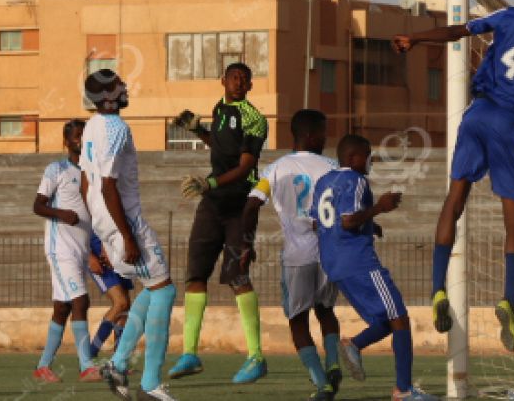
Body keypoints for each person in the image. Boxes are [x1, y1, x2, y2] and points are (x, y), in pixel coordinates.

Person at [391, 0, 514, 352]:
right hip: (511, 123)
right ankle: (508, 300)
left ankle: (437, 289)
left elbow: (457, 31)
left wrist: (416, 39)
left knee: (454, 198)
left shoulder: (513, 16)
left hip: (478, 114)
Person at [78, 69, 179, 401]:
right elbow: (106, 185)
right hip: (125, 221)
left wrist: (102, 231)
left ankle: (118, 363)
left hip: (105, 222)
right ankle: (150, 383)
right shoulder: (116, 127)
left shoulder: (91, 125)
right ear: (108, 96)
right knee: (164, 291)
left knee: (152, 288)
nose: (125, 87)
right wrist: (126, 236)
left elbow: (85, 182)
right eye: (119, 84)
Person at [312, 136, 438, 401]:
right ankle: (403, 391)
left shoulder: (324, 181)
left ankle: (354, 345)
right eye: (367, 154)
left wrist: (369, 226)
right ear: (351, 158)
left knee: (386, 319)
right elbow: (347, 221)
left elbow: (320, 224)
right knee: (400, 318)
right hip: (358, 261)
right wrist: (380, 208)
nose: (370, 159)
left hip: (333, 263)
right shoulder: (356, 181)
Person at [169, 62, 268, 384]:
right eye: (234, 77)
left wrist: (210, 184)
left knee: (238, 275)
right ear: (222, 81)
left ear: (250, 86)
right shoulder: (219, 109)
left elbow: (245, 166)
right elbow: (222, 148)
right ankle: (189, 353)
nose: (239, 82)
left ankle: (255, 356)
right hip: (213, 203)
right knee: (195, 275)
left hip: (239, 202)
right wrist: (199, 131)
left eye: (244, 79)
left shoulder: (255, 118)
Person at [240, 109, 342, 401]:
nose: (325, 138)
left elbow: (251, 206)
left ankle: (322, 383)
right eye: (323, 132)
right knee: (326, 311)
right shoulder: (333, 166)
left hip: (297, 257)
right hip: (329, 254)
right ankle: (333, 362)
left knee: (297, 321)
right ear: (309, 135)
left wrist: (247, 245)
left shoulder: (274, 170)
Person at [31, 119, 102, 383]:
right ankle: (87, 365)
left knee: (62, 308)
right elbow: (38, 205)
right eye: (76, 137)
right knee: (81, 301)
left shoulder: (92, 171)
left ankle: (43, 367)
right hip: (61, 248)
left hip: (81, 249)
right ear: (67, 141)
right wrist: (61, 213)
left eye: (85, 136)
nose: (81, 141)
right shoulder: (56, 169)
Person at [87, 231, 135, 358]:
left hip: (116, 252)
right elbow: (76, 229)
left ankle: (117, 360)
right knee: (121, 303)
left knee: (125, 308)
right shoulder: (88, 210)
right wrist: (89, 256)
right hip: (98, 254)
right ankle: (91, 353)